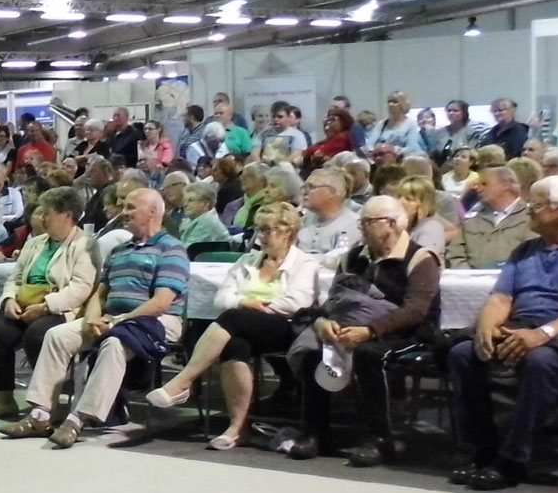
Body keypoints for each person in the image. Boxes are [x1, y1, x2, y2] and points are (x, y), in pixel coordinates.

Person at [446, 175, 558, 491]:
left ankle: (513, 458)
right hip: (525, 327)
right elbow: (501, 297)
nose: (529, 209)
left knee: (540, 361)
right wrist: (487, 327)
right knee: (464, 352)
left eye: (538, 204)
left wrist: (544, 333)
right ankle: (482, 450)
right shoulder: (525, 251)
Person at [3, 189, 188, 448]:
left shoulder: (171, 249)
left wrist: (117, 321)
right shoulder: (119, 251)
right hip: (114, 318)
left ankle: (78, 419)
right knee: (56, 335)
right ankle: (40, 416)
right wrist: (92, 319)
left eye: (131, 208)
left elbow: (161, 302)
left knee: (114, 343)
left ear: (153, 212)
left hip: (156, 321)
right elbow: (99, 294)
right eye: (123, 207)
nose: (123, 213)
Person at [283, 195, 443, 468]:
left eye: (368, 222)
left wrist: (369, 330)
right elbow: (334, 299)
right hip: (351, 326)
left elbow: (415, 311)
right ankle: (315, 432)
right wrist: (323, 322)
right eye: (361, 222)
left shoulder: (420, 258)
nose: (361, 228)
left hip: (407, 333)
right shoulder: (354, 257)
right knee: (313, 351)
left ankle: (380, 438)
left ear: (391, 224)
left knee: (370, 356)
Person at [144, 201, 318, 449]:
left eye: (269, 230)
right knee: (234, 344)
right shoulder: (248, 260)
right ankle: (238, 428)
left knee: (233, 318)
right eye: (260, 230)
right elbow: (221, 298)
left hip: (287, 327)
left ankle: (184, 381)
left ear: (288, 231)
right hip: (248, 325)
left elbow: (296, 303)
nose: (262, 236)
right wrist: (247, 302)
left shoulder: (305, 263)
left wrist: (250, 307)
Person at [0, 185, 97, 423]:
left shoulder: (85, 245)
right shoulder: (35, 243)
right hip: (25, 303)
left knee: (37, 335)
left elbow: (81, 288)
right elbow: (15, 278)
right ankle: (3, 400)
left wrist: (45, 306)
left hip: (61, 308)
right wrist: (9, 299)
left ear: (67, 216)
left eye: (47, 213)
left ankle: (45, 405)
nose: (41, 218)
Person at [446, 166, 532, 267]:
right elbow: (454, 254)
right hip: (472, 281)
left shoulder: (531, 218)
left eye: (484, 184)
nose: (478, 189)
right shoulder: (471, 222)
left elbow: (535, 256)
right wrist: (469, 277)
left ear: (505, 185)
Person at [396, 175, 450, 258]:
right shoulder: (406, 225)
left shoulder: (431, 228)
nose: (400, 202)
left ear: (424, 204)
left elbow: (421, 260)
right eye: (399, 196)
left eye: (408, 199)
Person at [177, 185, 232, 252]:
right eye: (184, 201)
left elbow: (185, 251)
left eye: (190, 200)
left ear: (205, 204)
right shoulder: (189, 221)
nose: (185, 204)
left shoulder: (208, 222)